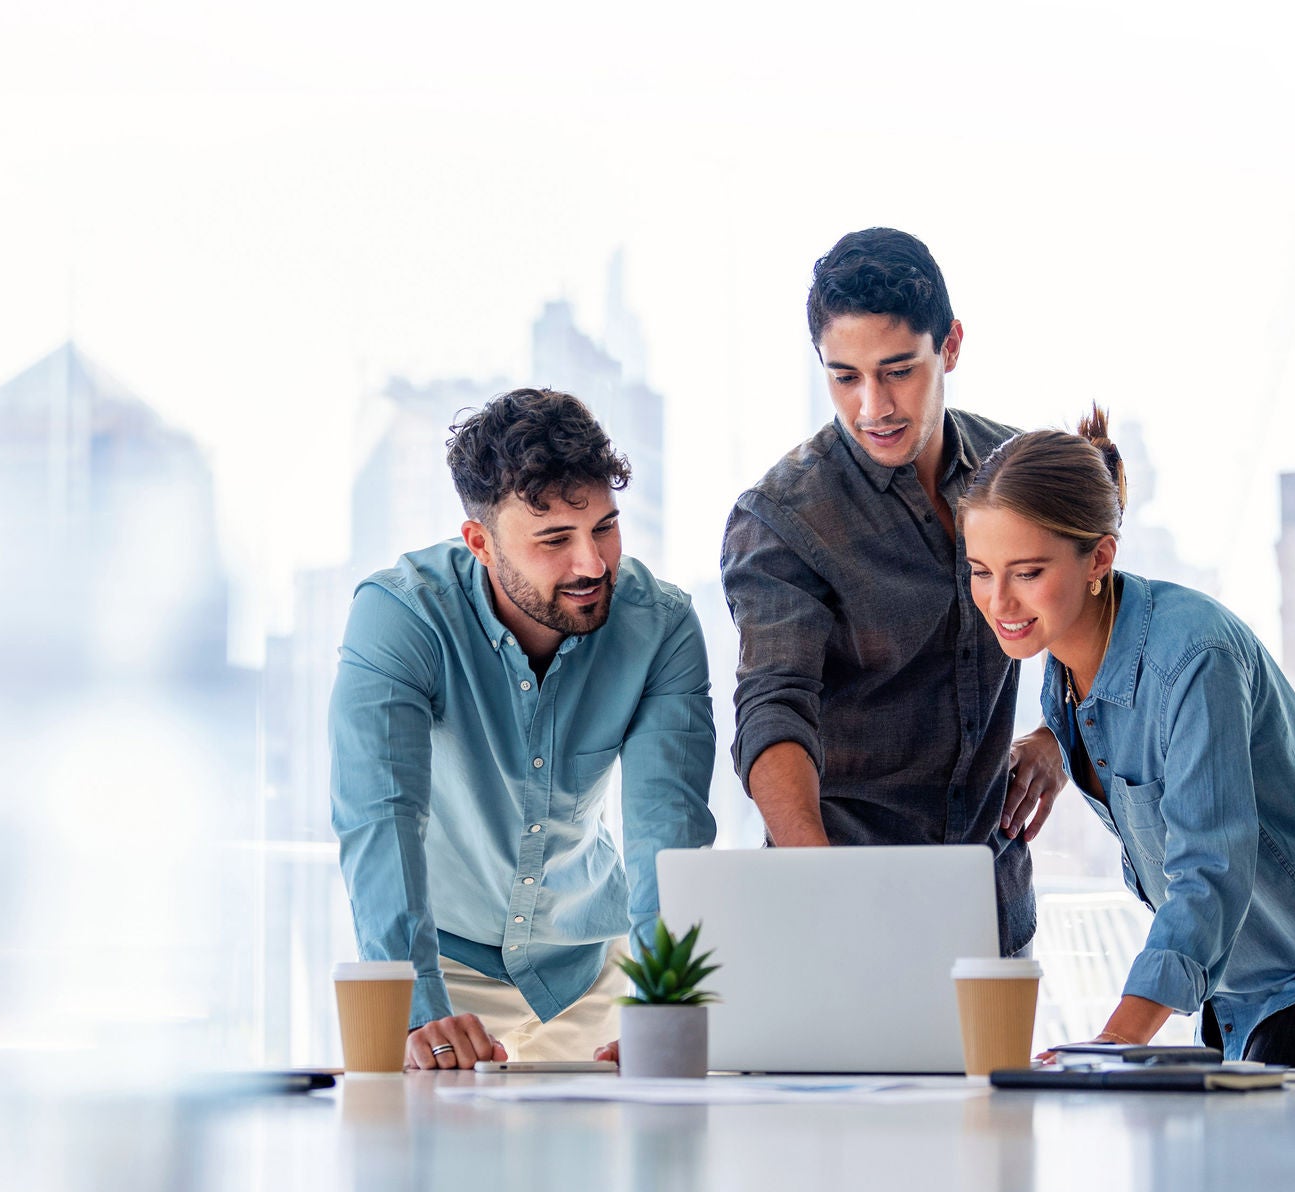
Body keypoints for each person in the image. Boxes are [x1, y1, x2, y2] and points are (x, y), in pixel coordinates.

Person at [958, 407, 1295, 1065]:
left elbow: (1209, 867)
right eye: (981, 570)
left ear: (1100, 555)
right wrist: (1053, 737)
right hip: (1243, 986)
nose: (999, 601)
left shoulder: (1195, 655)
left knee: (1264, 1169)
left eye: (1026, 571)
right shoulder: (1064, 665)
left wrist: (1117, 1038)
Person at [330, 388, 717, 1070]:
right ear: (480, 541)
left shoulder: (661, 628)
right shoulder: (401, 617)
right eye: (554, 540)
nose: (592, 564)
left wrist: (665, 1002)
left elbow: (668, 830)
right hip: (445, 972)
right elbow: (381, 820)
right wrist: (419, 1012)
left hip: (590, 972)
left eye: (603, 526)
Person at [721, 228, 1065, 955]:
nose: (872, 405)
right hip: (839, 910)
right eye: (844, 376)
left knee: (1000, 1077)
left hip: (992, 911)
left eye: (898, 369)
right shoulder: (784, 517)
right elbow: (773, 706)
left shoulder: (1022, 475)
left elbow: (1096, 615)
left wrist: (1056, 733)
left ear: (952, 345)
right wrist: (825, 888)